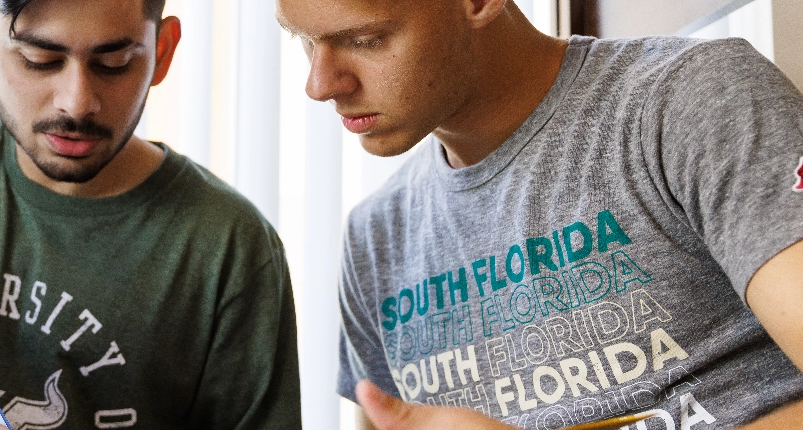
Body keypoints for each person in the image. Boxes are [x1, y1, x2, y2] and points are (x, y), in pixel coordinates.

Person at [276, 0, 803, 429]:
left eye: (365, 40)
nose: (320, 85)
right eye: (303, 39)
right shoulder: (375, 236)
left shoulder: (689, 100)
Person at [0, 0, 301, 429]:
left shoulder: (231, 244)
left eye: (113, 63)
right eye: (39, 60)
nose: (77, 103)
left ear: (163, 52)